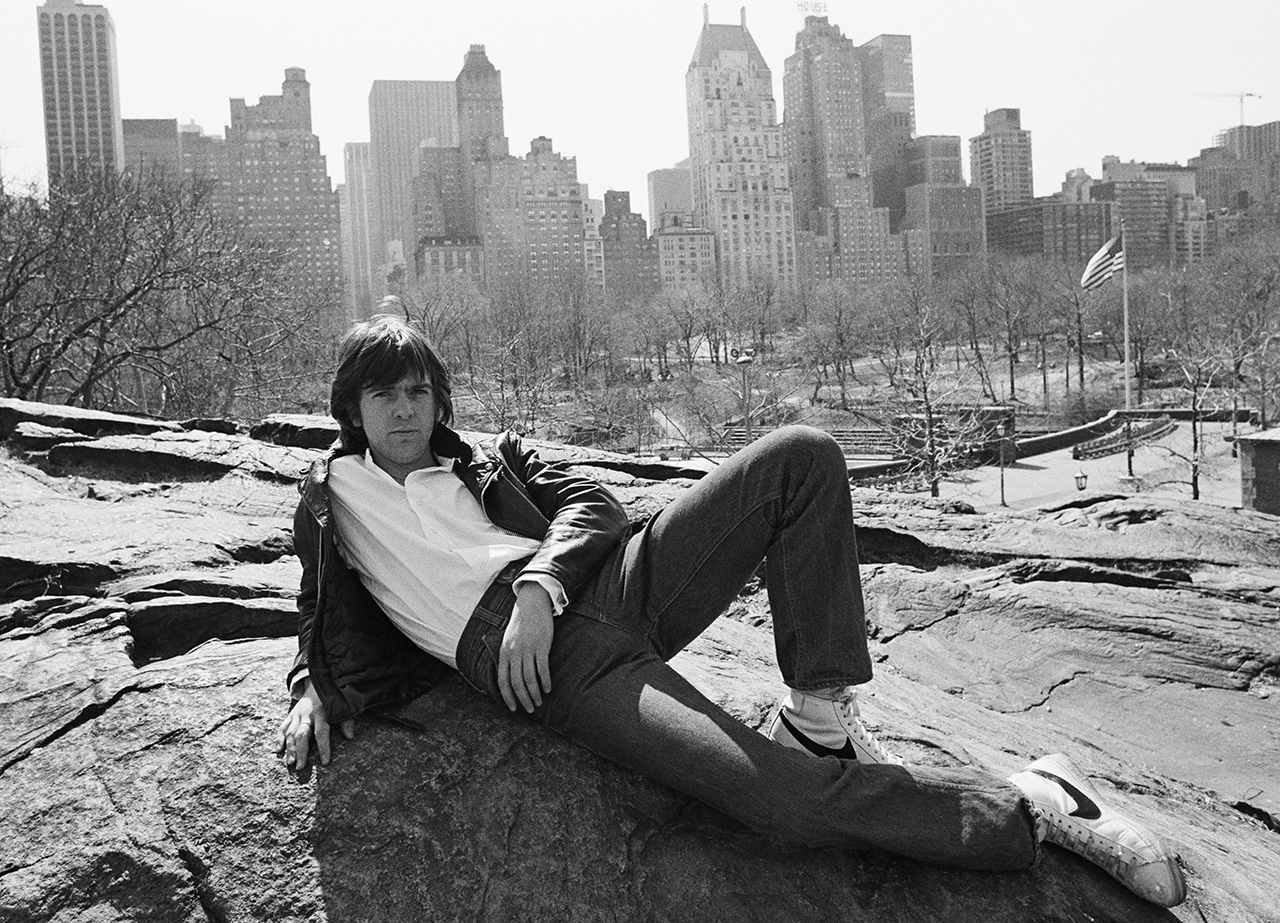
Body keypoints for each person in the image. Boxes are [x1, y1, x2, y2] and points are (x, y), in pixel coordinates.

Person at [277, 313, 1186, 908]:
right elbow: (317, 608)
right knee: (773, 804)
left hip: (596, 589)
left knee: (802, 454)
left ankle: (820, 719)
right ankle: (1027, 805)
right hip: (561, 675)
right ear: (353, 409)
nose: (407, 407)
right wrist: (310, 686)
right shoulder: (332, 499)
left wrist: (539, 586)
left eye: (420, 390)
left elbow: (593, 504)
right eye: (386, 393)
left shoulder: (482, 461)